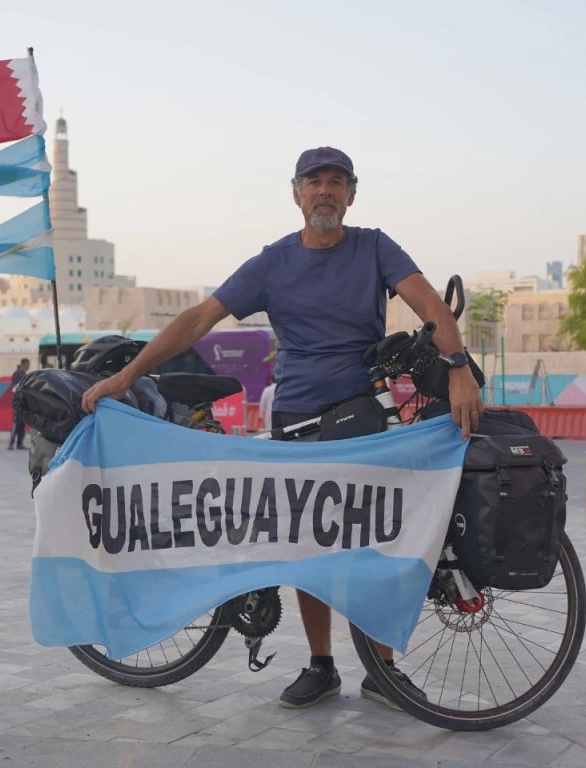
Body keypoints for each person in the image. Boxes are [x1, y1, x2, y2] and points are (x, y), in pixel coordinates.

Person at [81, 146, 482, 710]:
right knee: (306, 543)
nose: (325, 191)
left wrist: (460, 370)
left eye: (336, 182)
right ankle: (322, 664)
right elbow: (201, 318)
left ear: (352, 193)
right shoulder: (273, 262)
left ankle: (382, 671)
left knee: (377, 538)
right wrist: (126, 377)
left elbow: (429, 305)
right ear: (296, 194)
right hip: (296, 414)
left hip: (362, 413)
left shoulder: (374, 247)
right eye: (314, 182)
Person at [8, 358, 31, 449]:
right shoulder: (17, 374)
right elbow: (14, 388)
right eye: (28, 364)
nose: (28, 366)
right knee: (16, 422)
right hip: (17, 402)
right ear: (24, 364)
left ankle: (19, 443)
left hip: (23, 402)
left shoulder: (23, 374)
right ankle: (11, 443)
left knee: (21, 423)